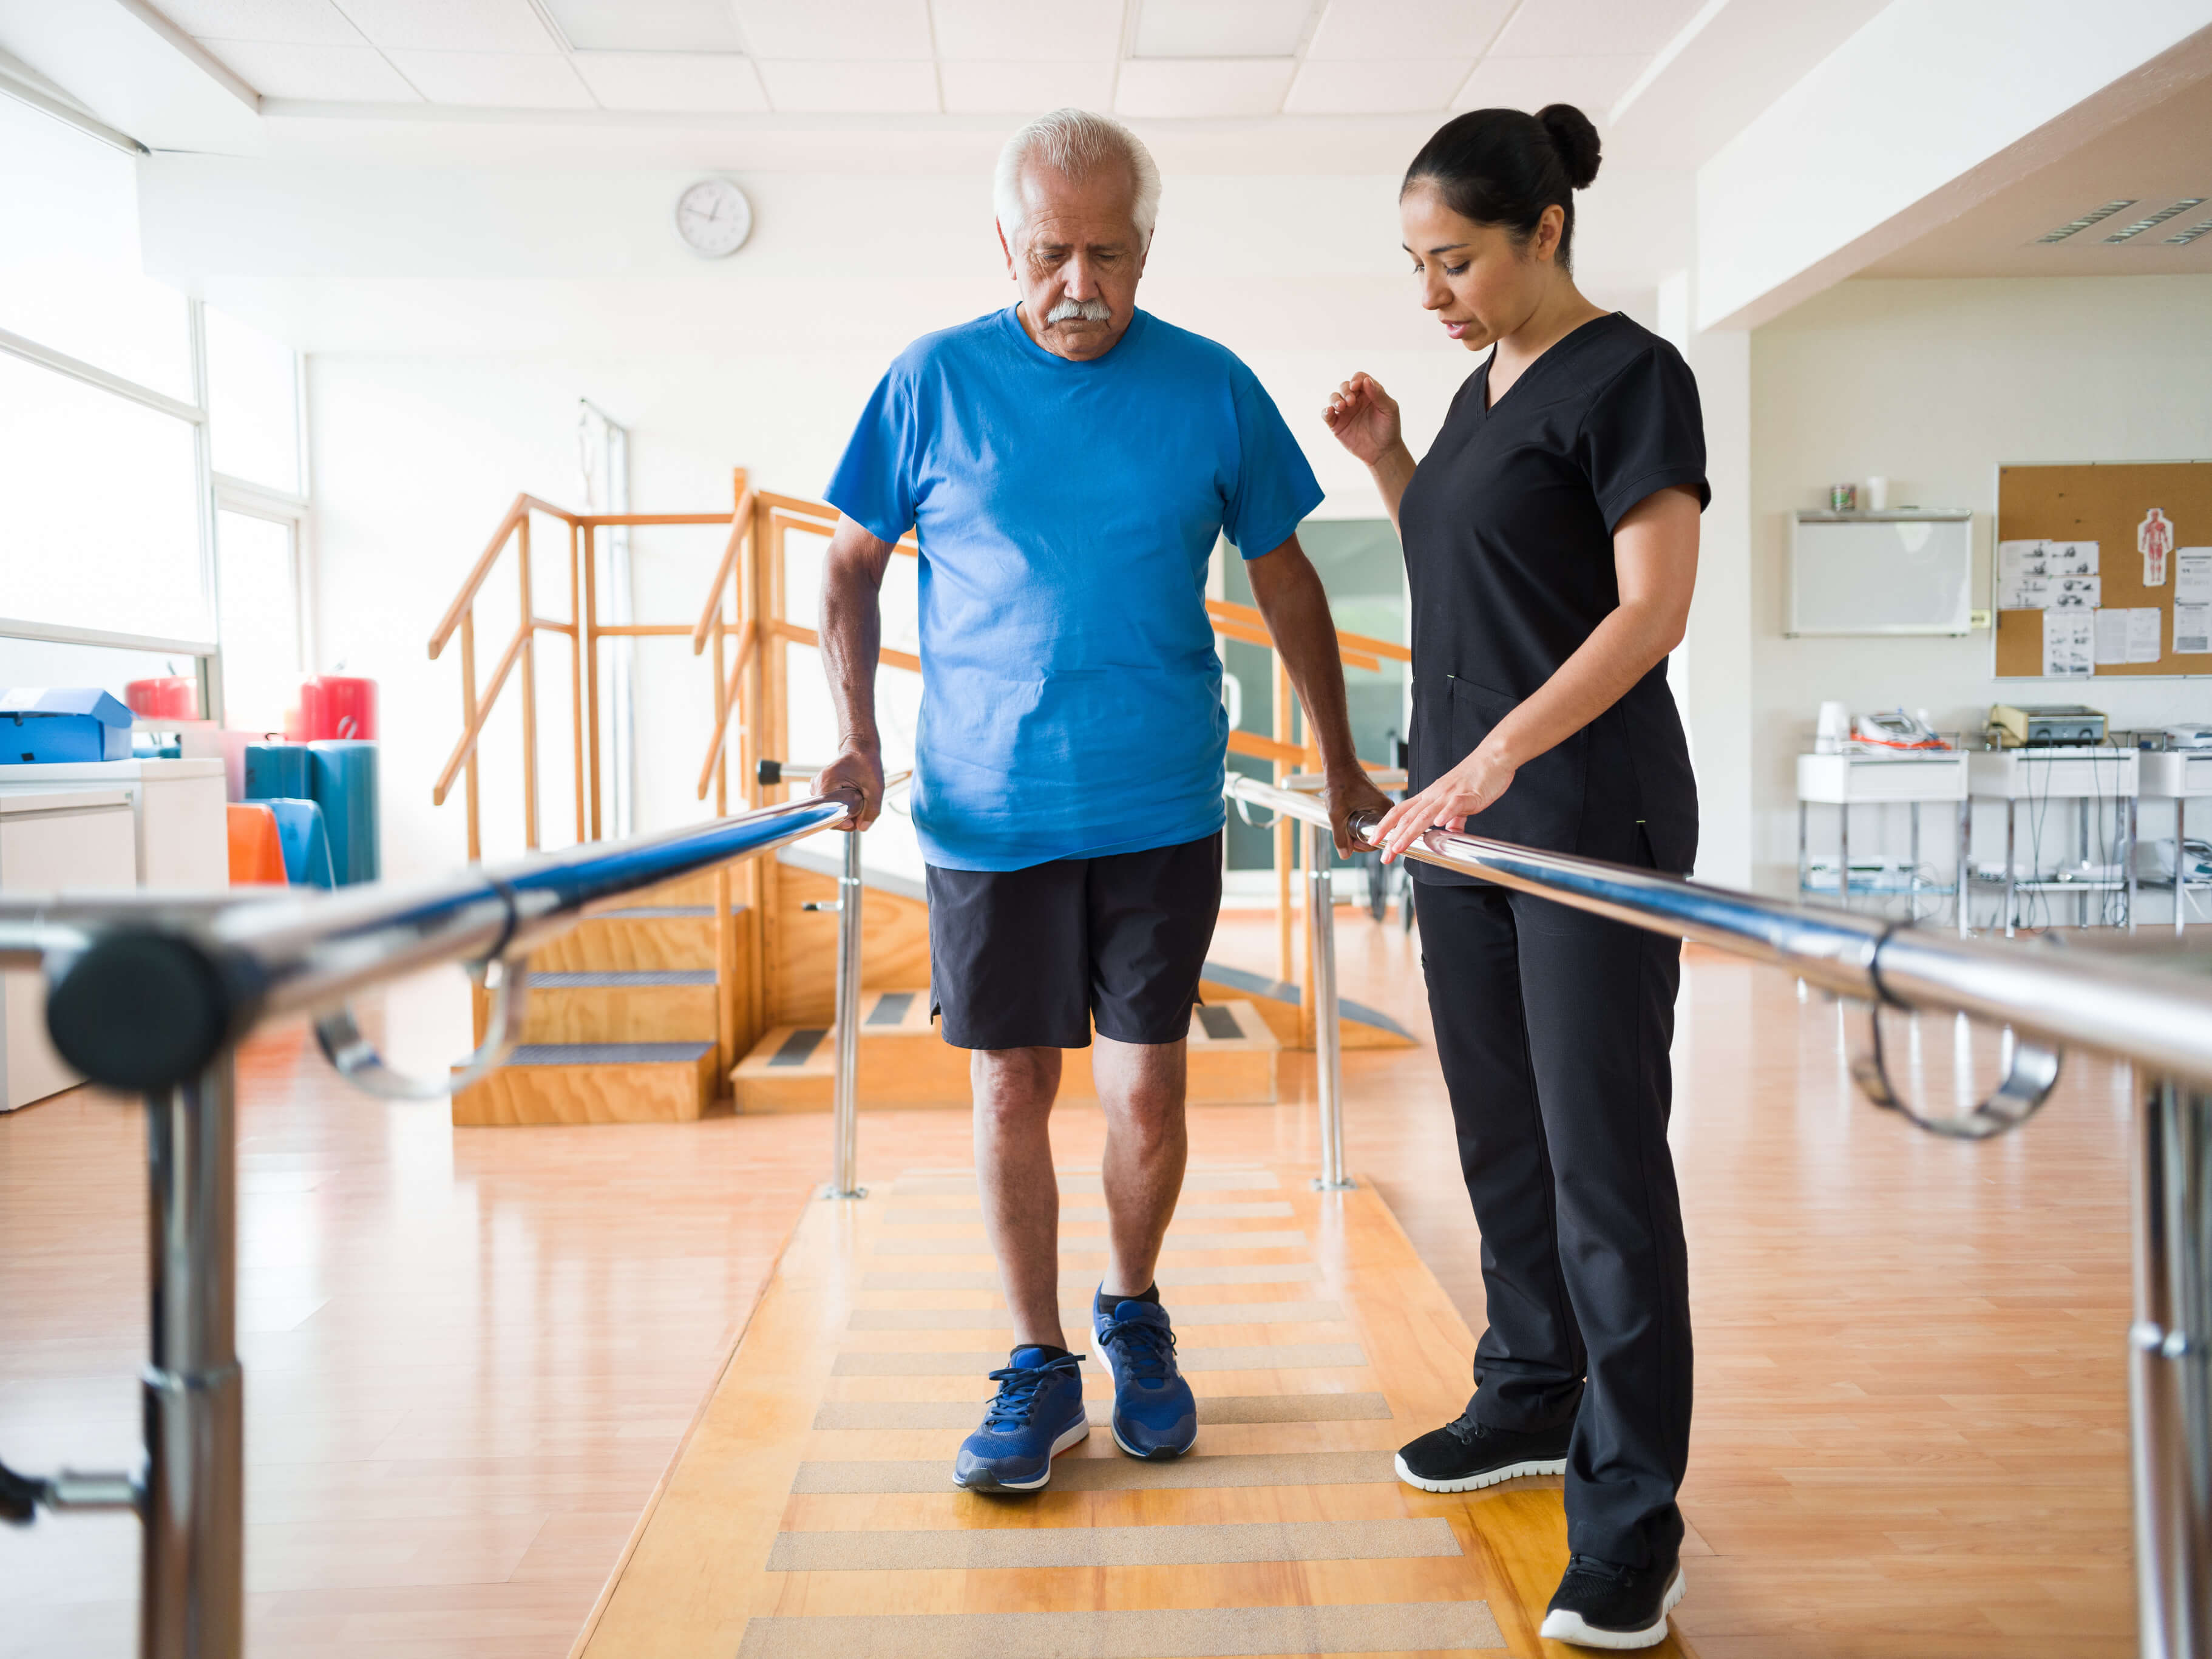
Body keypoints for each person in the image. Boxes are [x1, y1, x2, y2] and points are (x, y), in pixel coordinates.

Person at [817, 107, 1391, 1494]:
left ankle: (1130, 1310)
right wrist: (851, 739)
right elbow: (846, 569)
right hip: (985, 807)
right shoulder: (930, 380)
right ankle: (1034, 1361)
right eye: (1054, 255)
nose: (1081, 286)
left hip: (1158, 805)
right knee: (1011, 1083)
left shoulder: (1210, 387)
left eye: (1112, 256)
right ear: (1005, 242)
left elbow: (1288, 574)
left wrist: (1340, 758)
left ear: (1148, 249)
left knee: (1144, 1089)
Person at [1323, 104, 1705, 1649]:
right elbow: (1474, 564)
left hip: (1582, 815)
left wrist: (1493, 764)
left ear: (1544, 227)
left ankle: (1631, 1523)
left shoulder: (1636, 377)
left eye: (1455, 260)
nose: (1432, 293)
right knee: (1501, 1138)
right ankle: (1528, 1394)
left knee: (1603, 1164)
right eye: (1416, 266)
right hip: (1465, 828)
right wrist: (1392, 457)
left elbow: (1645, 610)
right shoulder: (1480, 388)